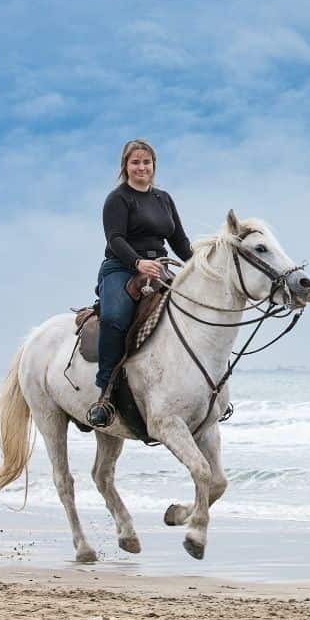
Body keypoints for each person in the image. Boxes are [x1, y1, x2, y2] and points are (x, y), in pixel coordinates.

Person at [86, 139, 194, 427]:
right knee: (115, 318)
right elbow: (115, 238)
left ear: (154, 166)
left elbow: (179, 241)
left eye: (146, 162)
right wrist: (137, 262)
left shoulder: (164, 199)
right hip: (121, 267)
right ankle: (106, 392)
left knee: (192, 311)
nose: (141, 167)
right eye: (135, 162)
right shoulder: (118, 198)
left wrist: (199, 266)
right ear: (126, 166)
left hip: (159, 267)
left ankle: (200, 390)